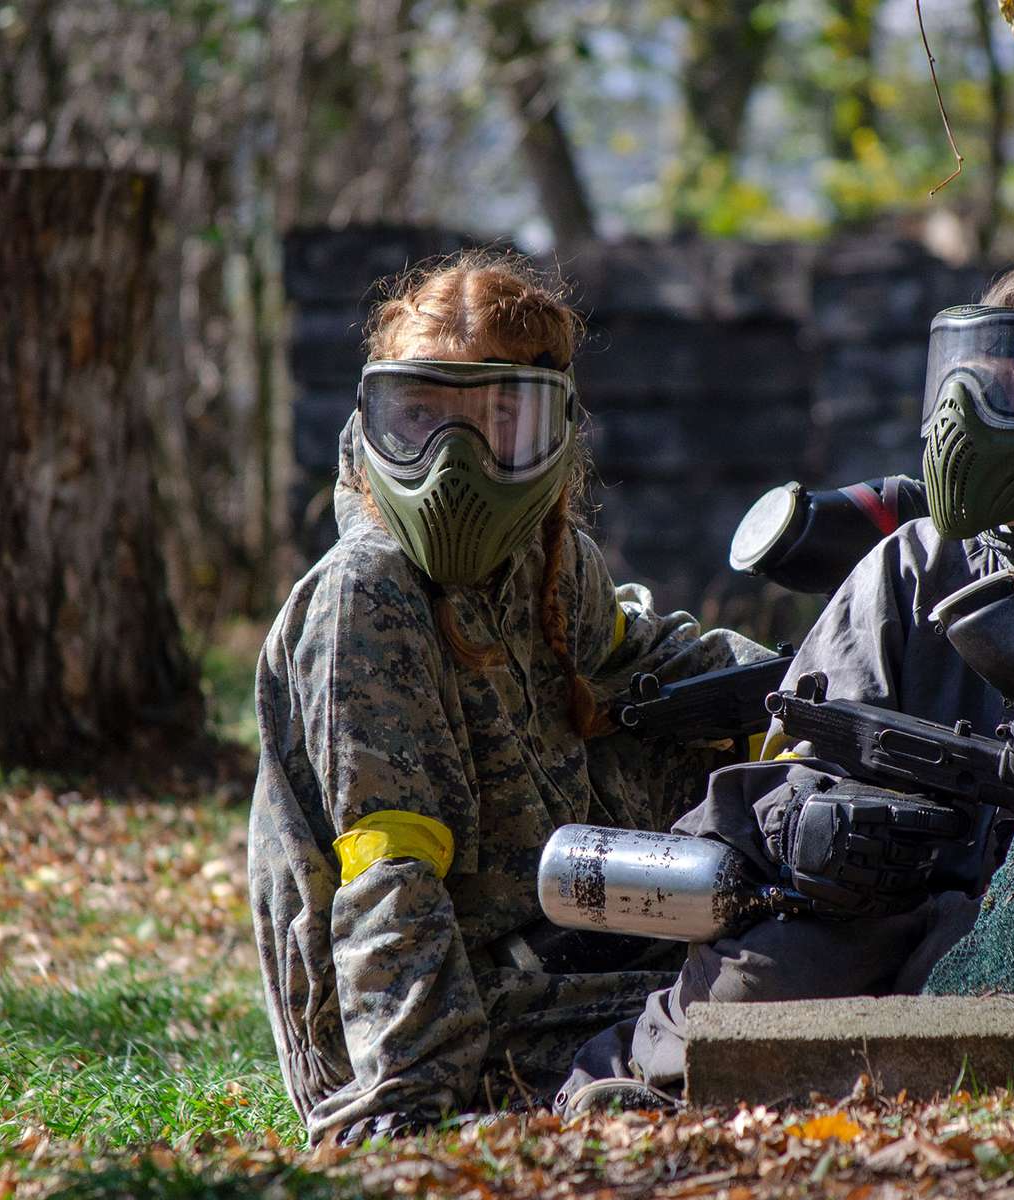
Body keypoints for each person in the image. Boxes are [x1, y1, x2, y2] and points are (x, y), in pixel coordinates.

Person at [561, 250, 1014, 1113]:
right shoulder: (912, 567)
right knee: (767, 973)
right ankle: (630, 1087)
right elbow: (799, 760)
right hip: (885, 921)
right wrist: (820, 832)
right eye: (969, 383)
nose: (971, 418)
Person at [246, 250, 770, 1145]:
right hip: (421, 1027)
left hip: (546, 954)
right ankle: (592, 1076)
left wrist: (808, 697)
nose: (456, 466)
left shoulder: (548, 560)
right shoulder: (365, 593)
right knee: (788, 978)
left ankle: (625, 1054)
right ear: (373, 421)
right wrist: (418, 1106)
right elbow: (388, 880)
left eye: (499, 421)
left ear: (555, 434)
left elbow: (654, 663)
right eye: (422, 418)